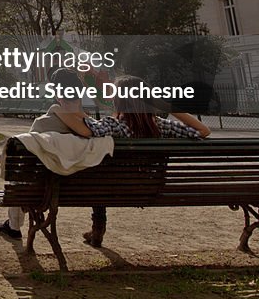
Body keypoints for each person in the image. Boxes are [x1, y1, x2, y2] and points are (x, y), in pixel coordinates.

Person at [81, 75, 211, 247]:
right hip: (151, 188)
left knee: (96, 171)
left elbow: (85, 130)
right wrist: (164, 105)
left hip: (113, 189)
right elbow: (204, 131)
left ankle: (98, 227)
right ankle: (97, 228)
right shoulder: (161, 126)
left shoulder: (114, 126)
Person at [0, 68, 95, 240]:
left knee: (19, 170)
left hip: (44, 189)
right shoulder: (92, 126)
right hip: (84, 188)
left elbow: (20, 154)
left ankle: (13, 226)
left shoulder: (43, 124)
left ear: (56, 93)